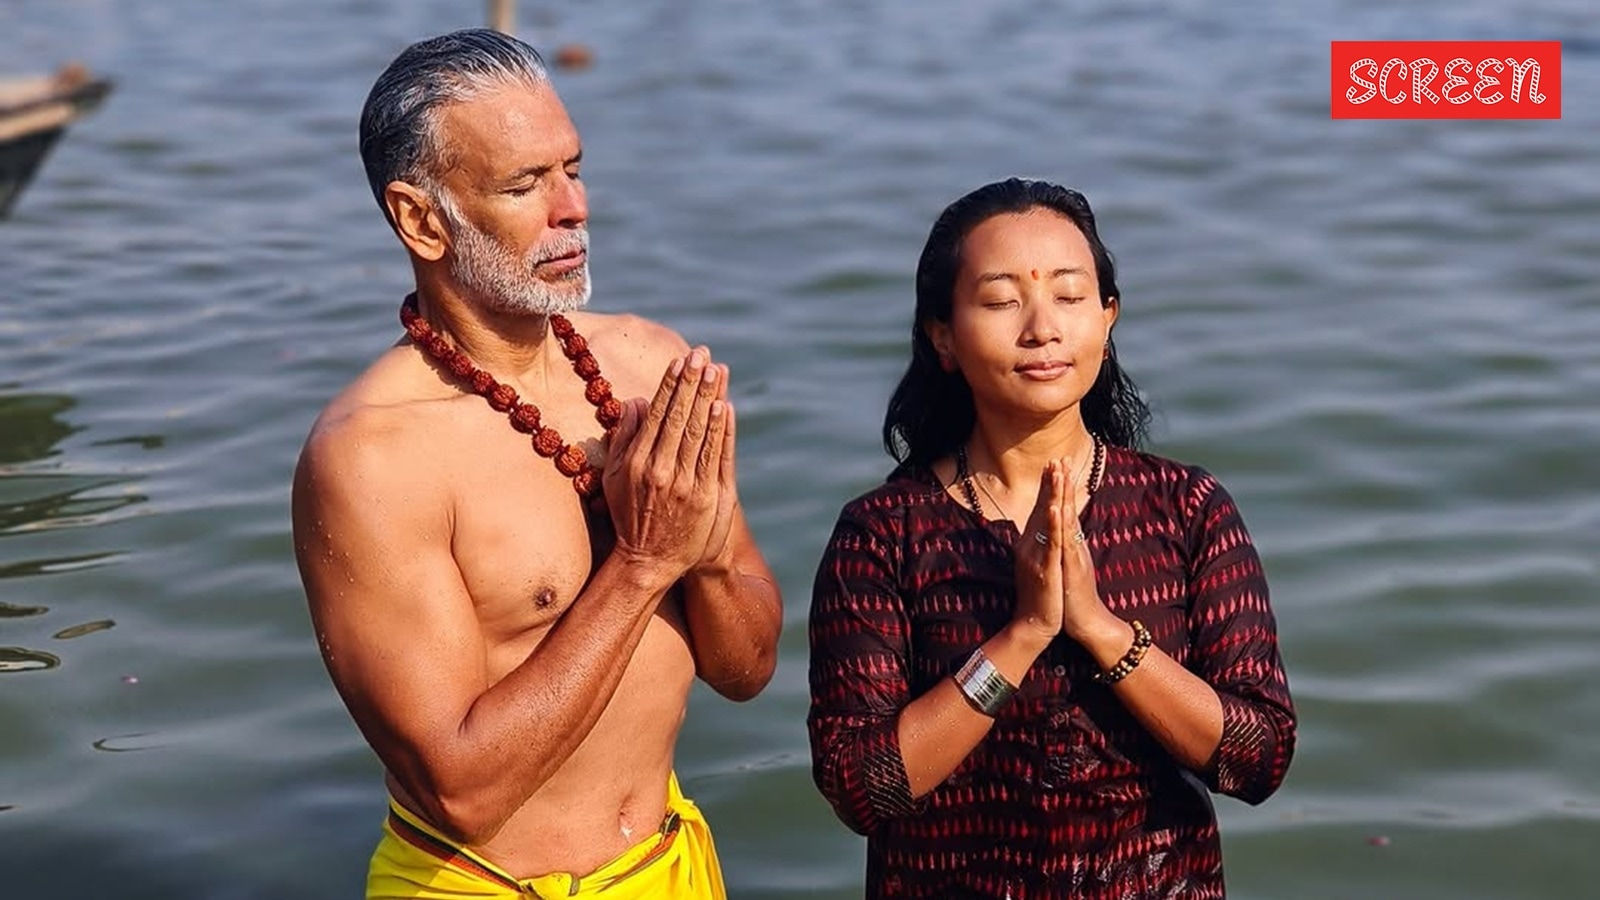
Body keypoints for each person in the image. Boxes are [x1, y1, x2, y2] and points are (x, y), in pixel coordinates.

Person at [291, 29, 782, 900]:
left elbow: (747, 672)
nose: (573, 209)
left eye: (574, 169)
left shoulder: (646, 361)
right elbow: (462, 792)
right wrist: (642, 565)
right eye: (525, 185)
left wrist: (698, 560)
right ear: (421, 219)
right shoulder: (372, 458)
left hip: (671, 865)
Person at [807, 178, 1295, 898]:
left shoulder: (1186, 508)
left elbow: (1259, 758)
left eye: (1070, 296)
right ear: (942, 335)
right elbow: (861, 789)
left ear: (1108, 317)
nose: (1042, 328)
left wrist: (1102, 631)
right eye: (1002, 301)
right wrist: (1022, 637)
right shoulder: (884, 535)